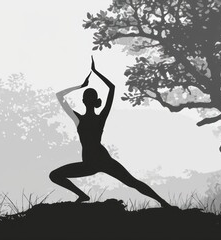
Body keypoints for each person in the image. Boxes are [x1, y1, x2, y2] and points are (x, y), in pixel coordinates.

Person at [49, 56, 171, 207]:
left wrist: (96, 72)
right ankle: (82, 196)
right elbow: (59, 96)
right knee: (54, 175)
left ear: (94, 101)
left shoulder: (100, 118)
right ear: (83, 101)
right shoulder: (78, 118)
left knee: (132, 182)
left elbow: (112, 88)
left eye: (89, 96)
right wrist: (81, 86)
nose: (87, 98)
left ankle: (164, 203)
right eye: (85, 96)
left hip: (103, 160)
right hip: (88, 162)